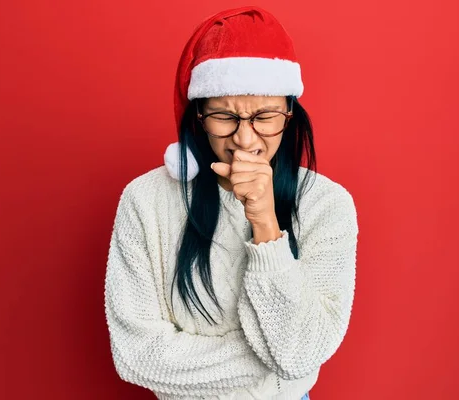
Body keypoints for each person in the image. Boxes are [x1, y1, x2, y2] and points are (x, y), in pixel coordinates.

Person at [104, 6, 359, 400]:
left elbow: (301, 353)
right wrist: (272, 368)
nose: (245, 138)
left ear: (289, 116)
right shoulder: (145, 200)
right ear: (199, 116)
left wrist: (265, 224)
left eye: (264, 115)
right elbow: (137, 355)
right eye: (224, 116)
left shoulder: (327, 205)